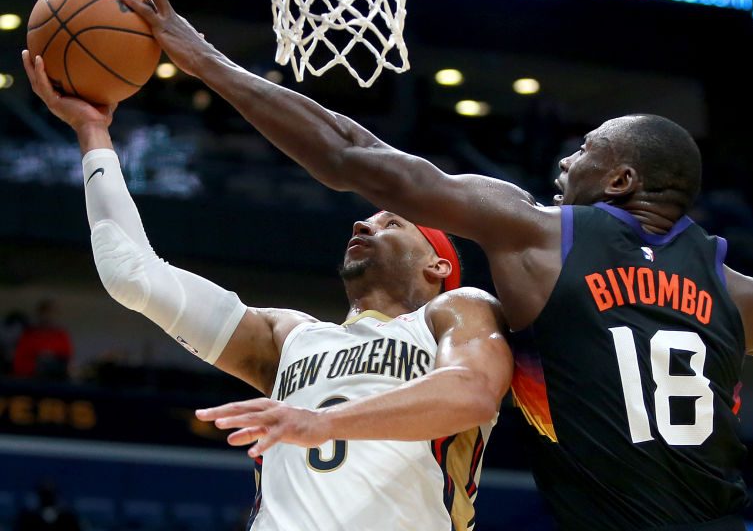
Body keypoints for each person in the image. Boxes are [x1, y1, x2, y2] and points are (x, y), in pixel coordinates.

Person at [61, 0, 753, 530]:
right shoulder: (750, 297)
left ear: (620, 181)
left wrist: (204, 57)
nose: (561, 161)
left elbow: (352, 158)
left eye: (581, 153)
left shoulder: (533, 240)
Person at [21, 50, 512, 531]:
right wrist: (92, 132)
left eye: (393, 221)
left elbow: (472, 395)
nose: (364, 221)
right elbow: (132, 273)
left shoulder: (456, 311)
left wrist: (324, 424)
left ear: (437, 263)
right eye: (368, 215)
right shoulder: (287, 335)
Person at [12, 299, 72, 380]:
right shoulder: (29, 335)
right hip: (33, 378)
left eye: (52, 313)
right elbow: (19, 362)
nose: (49, 317)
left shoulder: (61, 335)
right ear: (39, 314)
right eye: (46, 313)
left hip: (57, 378)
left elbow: (67, 358)